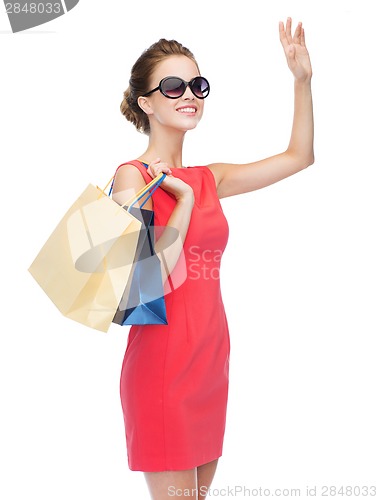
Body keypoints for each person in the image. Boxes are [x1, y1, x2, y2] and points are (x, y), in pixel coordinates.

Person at [112, 17, 314, 500]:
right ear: (147, 103)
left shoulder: (209, 176)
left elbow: (299, 157)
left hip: (209, 358)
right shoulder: (130, 178)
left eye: (197, 85)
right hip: (161, 365)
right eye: (174, 85)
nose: (189, 95)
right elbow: (144, 282)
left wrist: (302, 82)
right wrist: (179, 202)